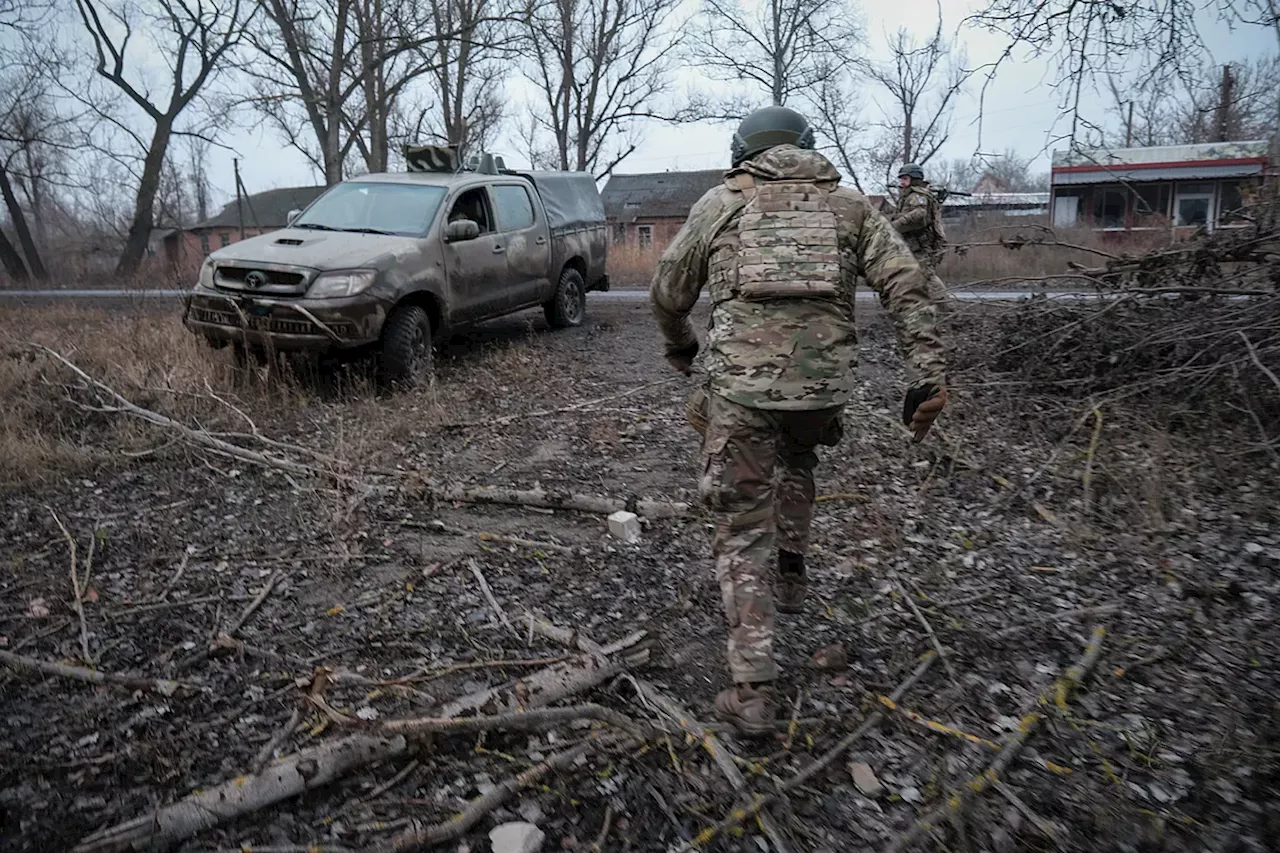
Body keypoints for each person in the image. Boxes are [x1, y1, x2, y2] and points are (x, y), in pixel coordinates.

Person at [650, 106, 948, 736]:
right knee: (799, 460)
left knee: (738, 524)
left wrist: (681, 347)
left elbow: (668, 291)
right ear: (808, 148)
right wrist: (926, 371)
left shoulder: (721, 203)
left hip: (742, 393)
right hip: (822, 393)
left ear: (743, 152)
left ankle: (753, 689)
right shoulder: (852, 207)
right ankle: (790, 574)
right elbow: (908, 287)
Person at [889, 163, 948, 304]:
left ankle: (945, 306)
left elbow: (919, 215)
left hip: (920, 245)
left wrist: (894, 226)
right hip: (909, 244)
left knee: (926, 275)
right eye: (901, 179)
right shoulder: (908, 196)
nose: (901, 182)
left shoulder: (918, 196)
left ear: (914, 179)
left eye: (905, 179)